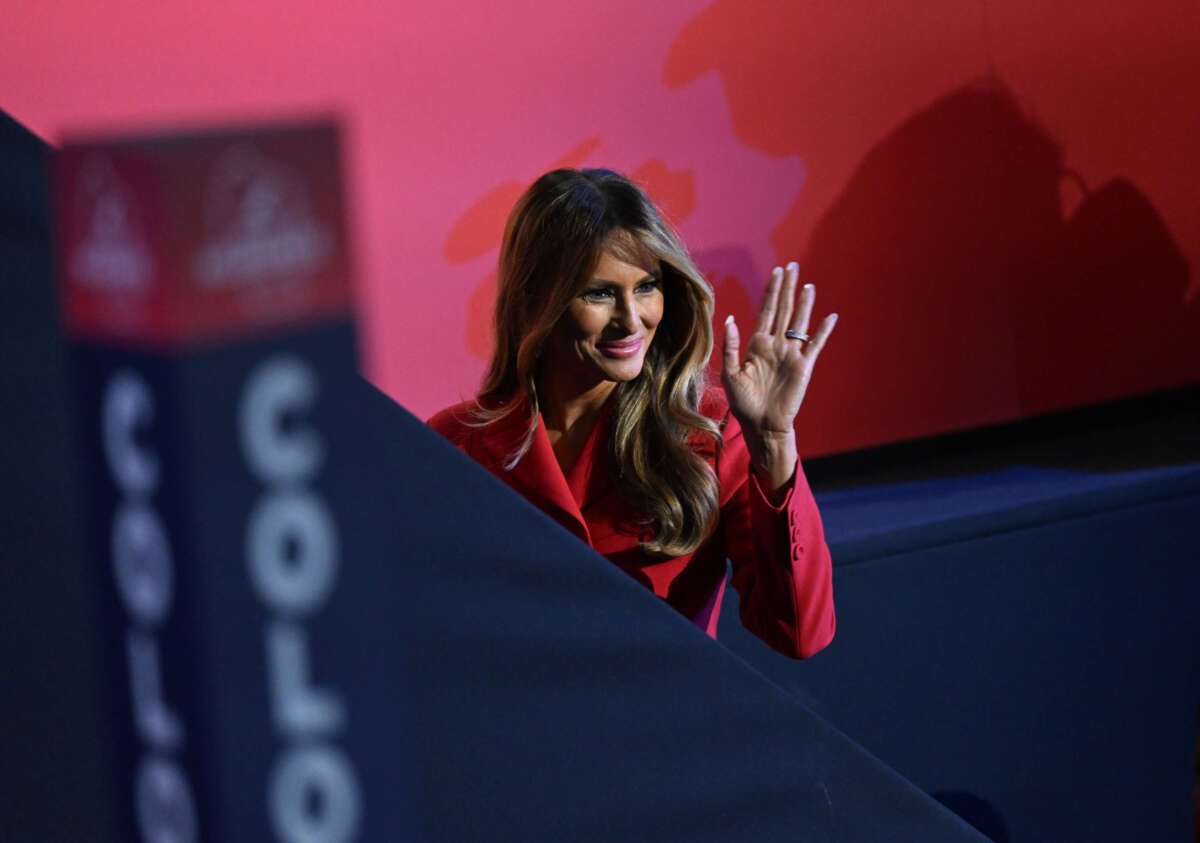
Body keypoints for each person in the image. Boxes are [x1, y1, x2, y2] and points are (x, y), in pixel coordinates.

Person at [429, 168, 838, 658]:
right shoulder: (453, 446)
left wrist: (773, 440)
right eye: (599, 293)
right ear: (538, 300)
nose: (631, 319)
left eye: (647, 287)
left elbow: (797, 634)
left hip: (668, 729)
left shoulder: (709, 434)